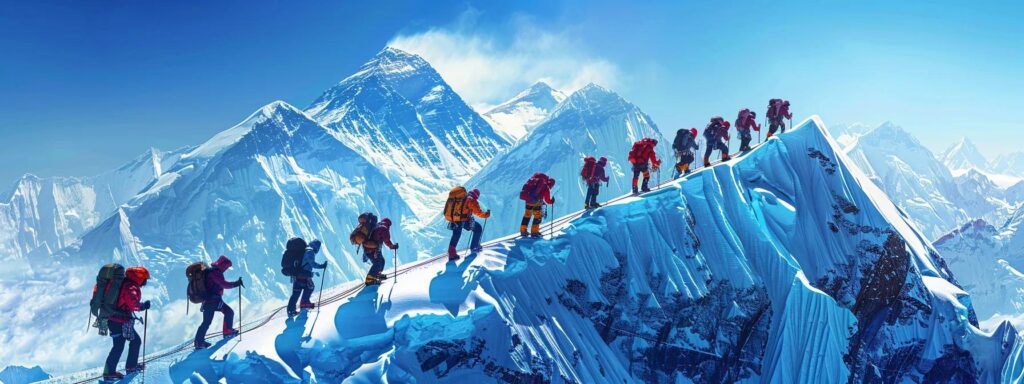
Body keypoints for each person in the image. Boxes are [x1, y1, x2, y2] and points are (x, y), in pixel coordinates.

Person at [103, 266, 151, 380]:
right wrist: (143, 306)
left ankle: (111, 371)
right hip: (120, 321)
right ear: (139, 278)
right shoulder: (131, 286)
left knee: (120, 345)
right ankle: (125, 368)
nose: (145, 282)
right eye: (144, 279)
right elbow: (133, 303)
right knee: (130, 343)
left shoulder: (123, 283)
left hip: (114, 320)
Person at [194, 255, 243, 349]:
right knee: (228, 312)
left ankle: (198, 342)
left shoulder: (211, 271)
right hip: (214, 301)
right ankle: (227, 332)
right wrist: (236, 283)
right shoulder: (215, 273)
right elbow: (224, 284)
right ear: (223, 265)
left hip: (208, 301)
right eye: (226, 266)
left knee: (206, 322)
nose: (226, 269)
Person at [446, 188, 490, 260]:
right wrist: (486, 215)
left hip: (455, 219)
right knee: (478, 228)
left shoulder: (462, 198)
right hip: (463, 220)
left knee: (456, 235)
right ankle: (474, 246)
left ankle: (451, 253)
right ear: (476, 196)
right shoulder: (472, 201)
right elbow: (478, 212)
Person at [287, 239, 327, 316]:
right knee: (310, 287)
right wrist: (322, 266)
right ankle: (304, 303)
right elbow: (312, 264)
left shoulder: (303, 250)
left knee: (296, 293)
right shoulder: (310, 252)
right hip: (304, 275)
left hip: (296, 275)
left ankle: (290, 310)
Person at [519, 173, 555, 238]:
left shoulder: (534, 180)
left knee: (527, 215)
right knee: (537, 216)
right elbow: (547, 200)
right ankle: (534, 232)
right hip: (537, 202)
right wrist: (552, 201)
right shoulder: (545, 185)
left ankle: (523, 231)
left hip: (528, 200)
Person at [364, 218, 399, 286]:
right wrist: (393, 246)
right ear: (388, 224)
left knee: (381, 261)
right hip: (372, 250)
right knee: (377, 263)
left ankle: (377, 274)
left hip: (370, 249)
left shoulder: (377, 226)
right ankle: (369, 280)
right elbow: (387, 240)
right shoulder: (384, 229)